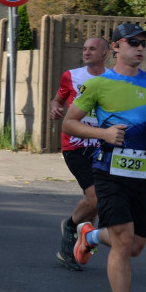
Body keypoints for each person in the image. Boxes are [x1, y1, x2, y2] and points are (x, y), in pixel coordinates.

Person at [62, 23, 146, 292]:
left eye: (144, 43)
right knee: (124, 242)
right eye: (133, 42)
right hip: (109, 171)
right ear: (116, 47)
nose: (140, 47)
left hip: (141, 174)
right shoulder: (99, 85)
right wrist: (103, 133)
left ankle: (91, 236)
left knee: (135, 247)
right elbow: (70, 122)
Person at [49, 36, 110, 271]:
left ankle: (79, 241)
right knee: (95, 197)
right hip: (76, 144)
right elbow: (58, 99)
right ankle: (71, 228)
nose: (86, 52)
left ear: (105, 53)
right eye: (84, 49)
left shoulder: (113, 79)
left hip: (103, 145)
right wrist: (55, 107)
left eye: (92, 49)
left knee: (97, 200)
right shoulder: (71, 75)